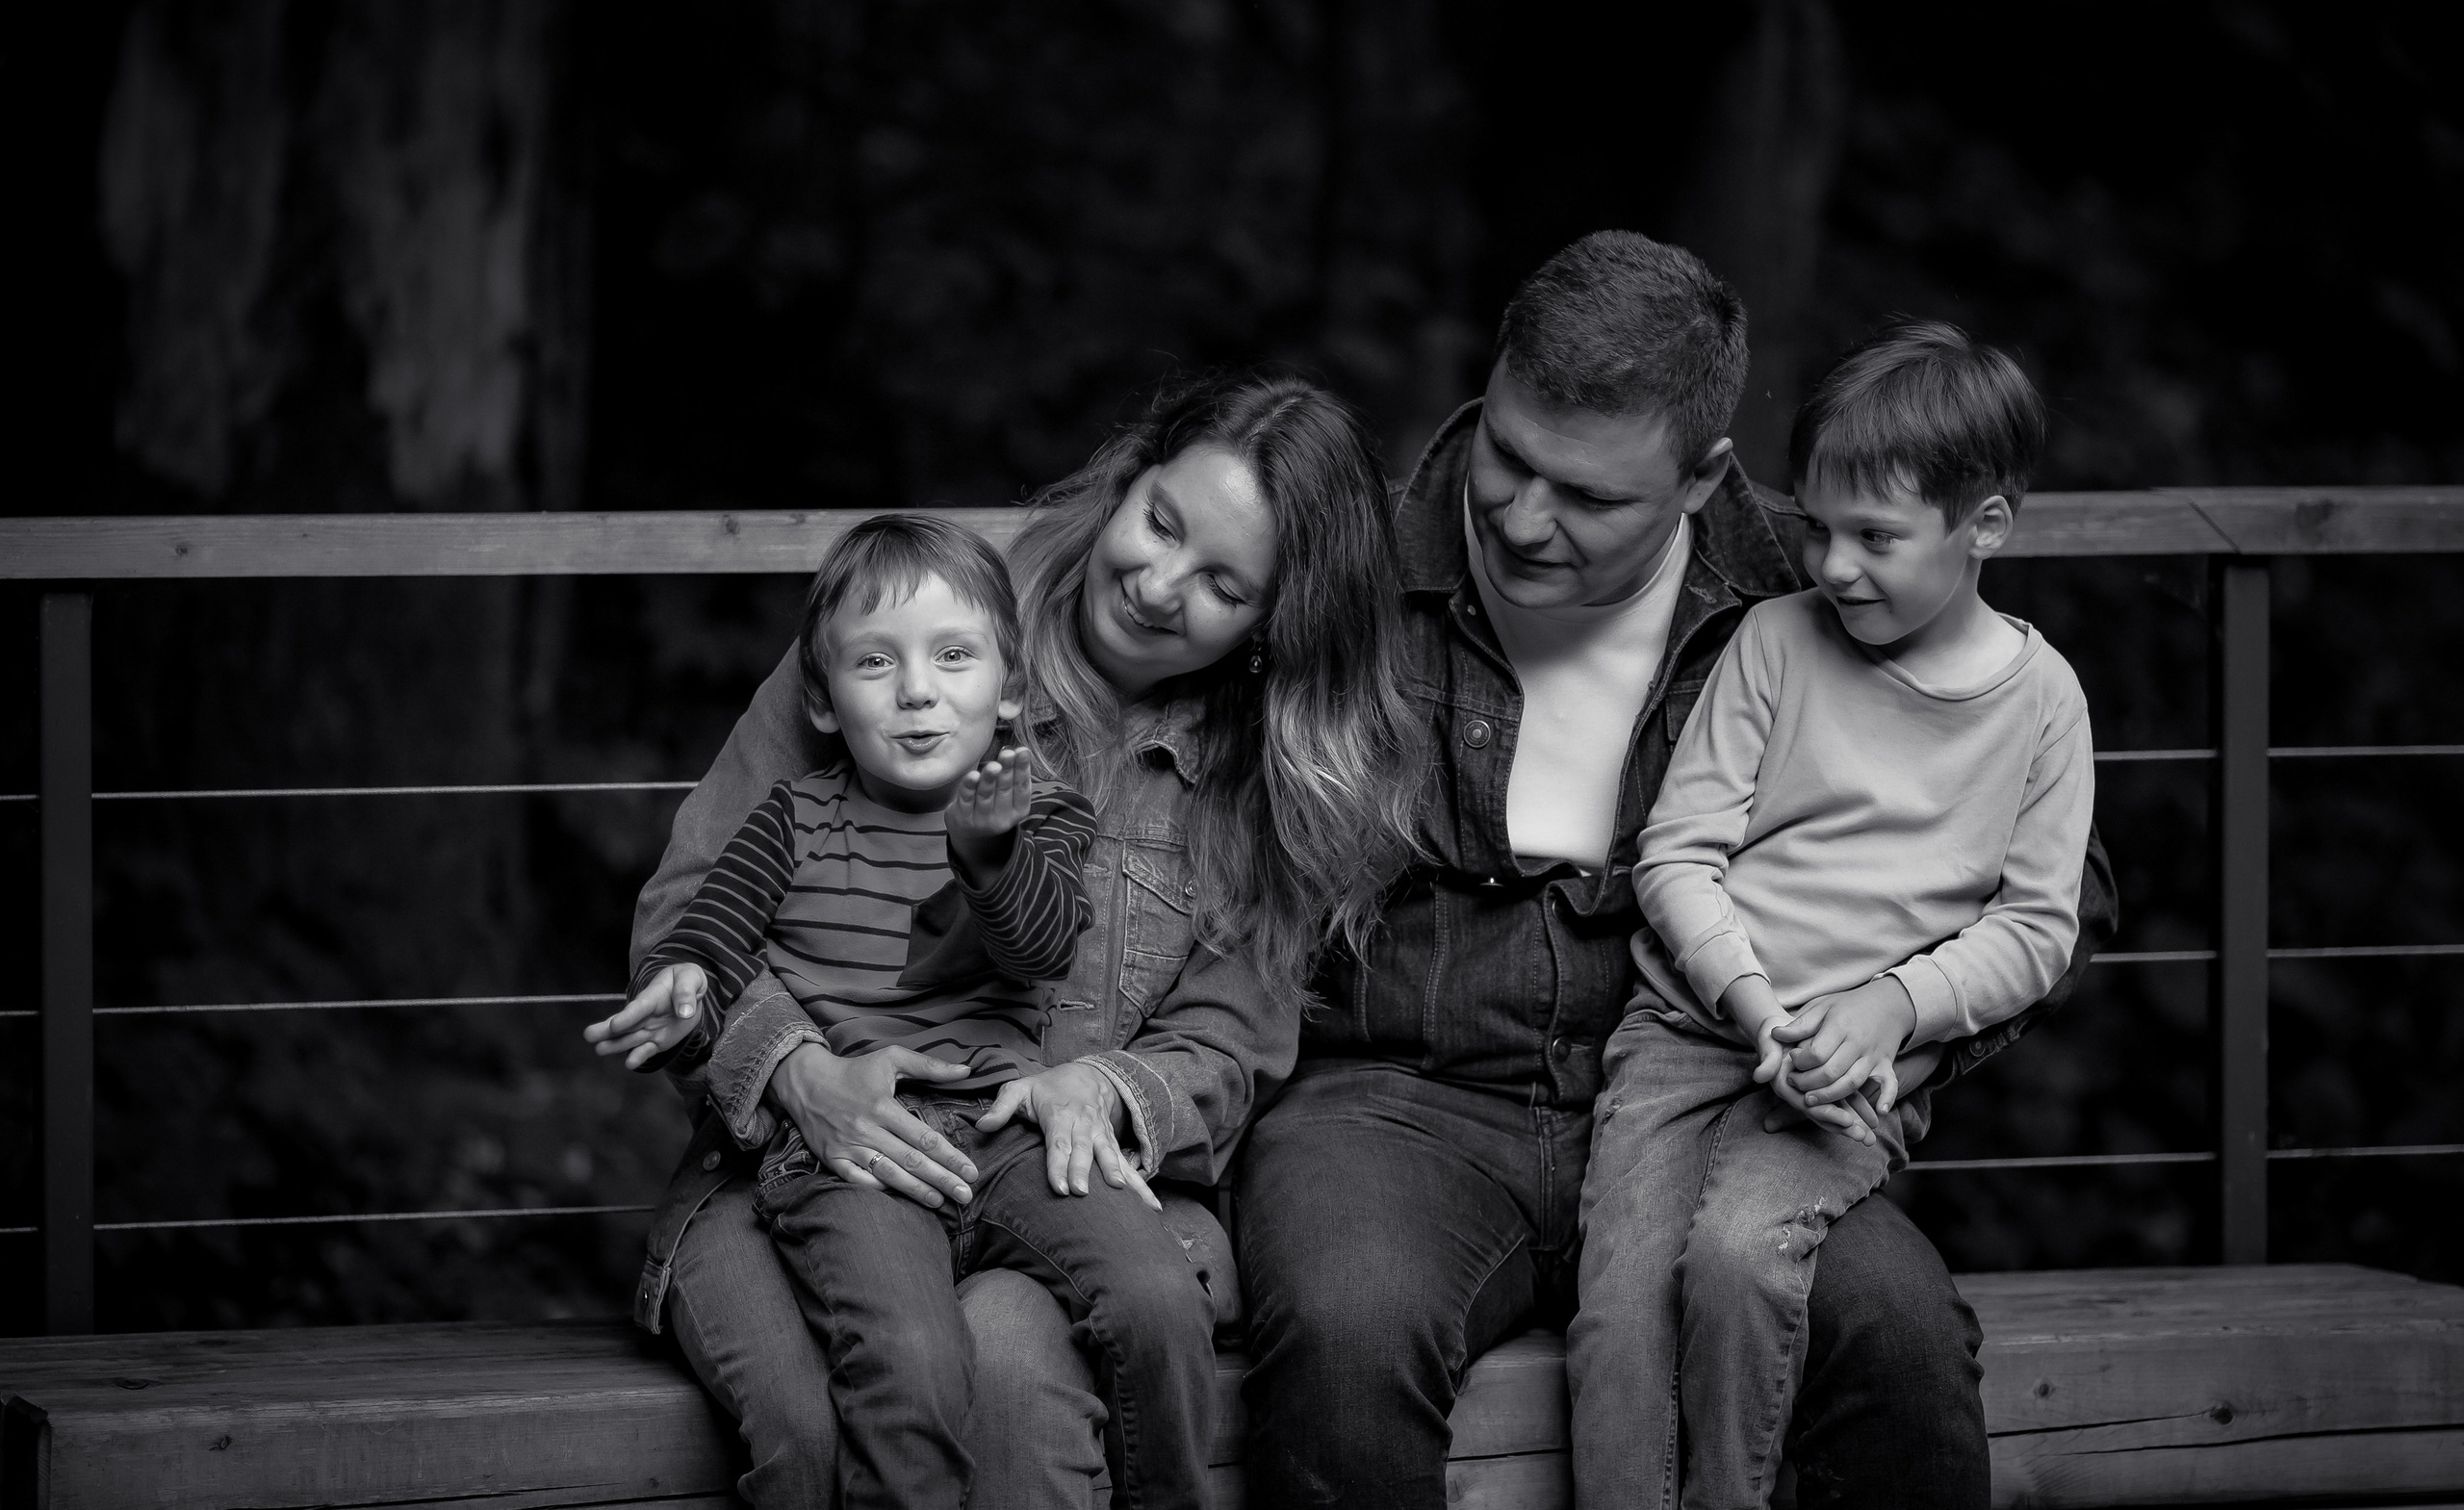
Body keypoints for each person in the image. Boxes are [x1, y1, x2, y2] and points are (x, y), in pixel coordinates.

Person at [1235, 233, 2117, 1510]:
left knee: (1904, 1341)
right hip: (1401, 1104)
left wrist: (1891, 1034)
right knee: (1347, 1322)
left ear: (1705, 477)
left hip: (1731, 1107)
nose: (1526, 518)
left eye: (1588, 498)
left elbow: (2059, 900)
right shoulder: (1349, 572)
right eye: (1508, 458)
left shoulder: (1802, 596)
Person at [585, 371, 1424, 1509]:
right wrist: (799, 1070)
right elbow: (686, 914)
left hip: (1060, 1180)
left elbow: (1228, 1050)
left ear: (1277, 624)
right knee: (834, 1409)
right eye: (1162, 523)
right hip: (820, 1158)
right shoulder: (914, 631)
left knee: (1012, 1372)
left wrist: (1108, 1084)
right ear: (1128, 480)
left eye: (1223, 582)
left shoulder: (1256, 786)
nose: (1158, 582)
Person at [1578, 323, 2096, 1507]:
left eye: (1876, 537)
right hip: (1690, 1033)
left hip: (1859, 1067)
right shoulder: (1773, 642)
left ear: (1987, 530)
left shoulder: (2044, 701)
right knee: (1617, 1309)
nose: (1835, 565)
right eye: (1815, 526)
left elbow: (2035, 928)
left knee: (1741, 1258)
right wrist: (1759, 1007)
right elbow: (1676, 854)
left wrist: (1887, 1008)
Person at [622, 511, 1223, 1510]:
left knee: (1155, 1293)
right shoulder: (792, 814)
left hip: (1006, 1131)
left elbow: (1039, 944)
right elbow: (711, 921)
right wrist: (688, 971)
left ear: (1010, 687)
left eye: (953, 656)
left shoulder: (1045, 811)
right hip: (851, 1148)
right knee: (909, 1354)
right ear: (819, 697)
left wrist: (988, 852)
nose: (916, 691)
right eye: (875, 663)